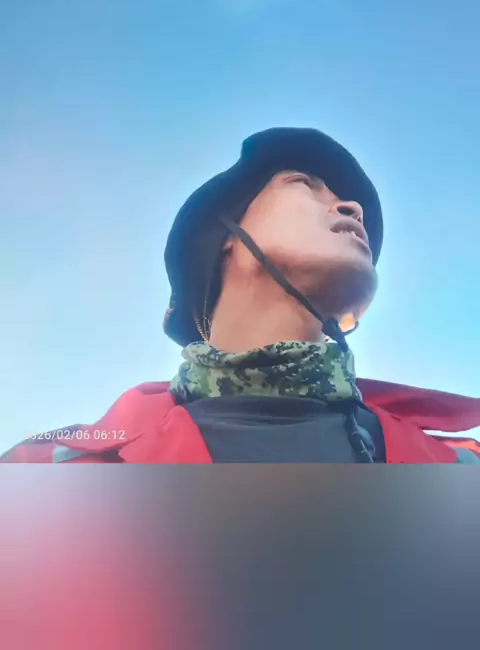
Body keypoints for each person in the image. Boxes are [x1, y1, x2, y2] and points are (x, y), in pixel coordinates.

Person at [3, 127, 480, 464]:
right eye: (303, 184)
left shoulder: (460, 465)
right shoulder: (49, 467)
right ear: (225, 236)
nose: (351, 208)